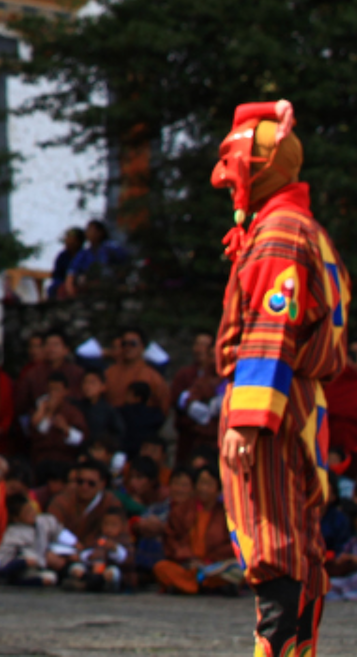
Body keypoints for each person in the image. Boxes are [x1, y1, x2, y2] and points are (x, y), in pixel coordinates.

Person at [211, 101, 351, 654]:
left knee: (275, 542)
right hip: (295, 401)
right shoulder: (299, 228)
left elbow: (272, 328)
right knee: (292, 540)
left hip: (272, 406)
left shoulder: (279, 234)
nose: (227, 182)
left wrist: (247, 420)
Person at [153, 465, 243, 594]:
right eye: (201, 483)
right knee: (161, 567)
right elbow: (171, 540)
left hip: (215, 565)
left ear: (218, 489)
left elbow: (233, 543)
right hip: (188, 565)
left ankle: (190, 585)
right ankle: (202, 585)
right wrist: (190, 558)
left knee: (239, 570)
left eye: (209, 484)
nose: (204, 489)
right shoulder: (181, 511)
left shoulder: (227, 514)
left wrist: (210, 559)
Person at [172, 331, 224, 471]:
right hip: (202, 439)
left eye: (218, 356)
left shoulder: (234, 377)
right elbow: (191, 395)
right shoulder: (204, 378)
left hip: (225, 439)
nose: (215, 361)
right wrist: (193, 404)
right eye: (212, 356)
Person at [48, 461, 125, 544]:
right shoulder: (62, 499)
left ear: (103, 483)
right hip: (63, 549)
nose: (84, 487)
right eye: (80, 482)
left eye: (91, 483)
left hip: (99, 551)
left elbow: (123, 538)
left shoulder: (111, 503)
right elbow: (52, 530)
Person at [105, 326, 171, 410]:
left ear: (142, 346)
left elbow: (164, 406)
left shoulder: (153, 377)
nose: (128, 347)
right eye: (124, 344)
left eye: (133, 344)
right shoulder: (109, 373)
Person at [74, 369, 125, 456]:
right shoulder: (76, 407)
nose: (87, 386)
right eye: (85, 382)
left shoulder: (109, 410)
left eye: (92, 383)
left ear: (103, 387)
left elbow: (118, 434)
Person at [47, 227, 84, 300]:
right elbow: (57, 275)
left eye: (72, 239)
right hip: (62, 283)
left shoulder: (84, 255)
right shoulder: (62, 256)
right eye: (67, 239)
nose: (68, 241)